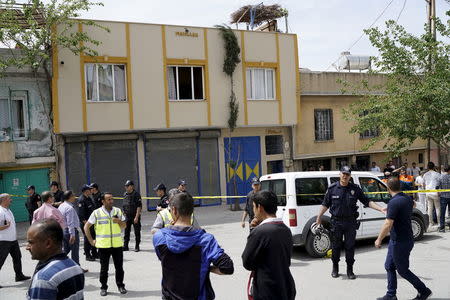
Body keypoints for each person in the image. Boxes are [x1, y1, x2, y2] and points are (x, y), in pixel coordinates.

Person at [153, 192, 234, 300]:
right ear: (192, 211)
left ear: (174, 210)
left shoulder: (160, 237)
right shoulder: (206, 240)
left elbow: (163, 258)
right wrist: (207, 268)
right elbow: (227, 267)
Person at [316, 166, 386, 279]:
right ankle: (335, 267)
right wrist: (319, 217)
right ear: (339, 174)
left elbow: (367, 202)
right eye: (343, 173)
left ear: (350, 176)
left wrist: (381, 209)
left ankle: (350, 270)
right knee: (336, 246)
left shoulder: (355, 189)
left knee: (350, 247)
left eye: (347, 174)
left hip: (350, 222)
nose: (345, 176)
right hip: (336, 222)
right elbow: (325, 204)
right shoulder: (332, 188)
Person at [375, 177, 432, 300]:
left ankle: (424, 291)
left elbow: (388, 224)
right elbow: (413, 205)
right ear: (399, 186)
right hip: (401, 239)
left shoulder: (394, 202)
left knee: (403, 270)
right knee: (389, 266)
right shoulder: (407, 198)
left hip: (400, 242)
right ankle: (391, 295)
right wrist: (392, 211)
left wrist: (379, 239)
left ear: (388, 188)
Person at [242, 190, 296, 300]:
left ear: (260, 207)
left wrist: (254, 232)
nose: (253, 210)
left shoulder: (260, 232)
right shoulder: (286, 229)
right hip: (286, 287)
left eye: (253, 207)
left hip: (267, 290)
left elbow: (247, 262)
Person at [26, 219, 84, 300]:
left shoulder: (44, 278)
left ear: (48, 243)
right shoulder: (75, 267)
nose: (27, 247)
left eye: (31, 242)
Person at [84, 192, 127, 296]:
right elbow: (86, 227)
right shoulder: (97, 213)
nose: (111, 201)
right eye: (109, 199)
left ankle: (120, 285)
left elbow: (124, 225)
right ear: (103, 201)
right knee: (104, 269)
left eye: (112, 199)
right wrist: (91, 241)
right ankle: (103, 287)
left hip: (117, 245)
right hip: (103, 246)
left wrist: (118, 221)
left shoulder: (117, 211)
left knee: (119, 268)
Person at [0, 193, 30, 288]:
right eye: (9, 198)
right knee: (0, 260)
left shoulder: (8, 210)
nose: (11, 200)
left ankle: (19, 275)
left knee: (17, 257)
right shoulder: (0, 211)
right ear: (4, 200)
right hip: (4, 241)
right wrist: (5, 226)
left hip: (13, 240)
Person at [58, 190, 85, 271]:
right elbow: (70, 222)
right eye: (73, 195)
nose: (74, 197)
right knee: (75, 252)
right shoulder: (69, 208)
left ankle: (59, 265)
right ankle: (77, 269)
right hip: (70, 232)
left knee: (65, 250)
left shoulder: (61, 206)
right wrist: (72, 235)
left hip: (64, 231)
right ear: (69, 197)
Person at [78, 184, 98, 261]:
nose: (91, 190)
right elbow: (81, 215)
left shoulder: (89, 198)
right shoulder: (81, 200)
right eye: (90, 189)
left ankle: (94, 253)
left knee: (94, 237)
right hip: (86, 223)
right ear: (86, 191)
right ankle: (88, 255)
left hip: (92, 222)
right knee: (87, 238)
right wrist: (86, 225)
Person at [123, 180, 142, 252]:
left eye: (127, 186)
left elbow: (139, 206)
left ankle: (137, 246)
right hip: (127, 216)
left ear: (131, 186)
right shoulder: (125, 194)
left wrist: (137, 217)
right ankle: (125, 246)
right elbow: (124, 205)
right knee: (126, 232)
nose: (126, 187)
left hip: (134, 215)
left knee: (137, 232)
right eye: (125, 186)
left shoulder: (136, 194)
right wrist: (124, 214)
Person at [423, 162, 441, 228]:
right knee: (437, 208)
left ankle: (431, 223)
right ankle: (439, 222)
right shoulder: (437, 174)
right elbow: (439, 183)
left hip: (428, 192)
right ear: (434, 167)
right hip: (435, 192)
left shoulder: (425, 175)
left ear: (428, 167)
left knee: (430, 209)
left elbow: (423, 184)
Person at [437, 166, 450, 232]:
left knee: (442, 213)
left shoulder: (440, 177)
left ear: (444, 170)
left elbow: (436, 186)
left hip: (443, 197)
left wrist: (438, 192)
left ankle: (442, 228)